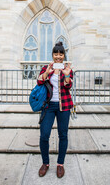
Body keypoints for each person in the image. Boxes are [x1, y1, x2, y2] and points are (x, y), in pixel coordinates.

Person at [37, 41, 73, 178]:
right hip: (48, 106)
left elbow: (67, 86)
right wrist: (47, 72)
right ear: (52, 55)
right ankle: (45, 163)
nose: (58, 56)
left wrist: (67, 75)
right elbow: (39, 81)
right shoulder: (47, 67)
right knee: (44, 135)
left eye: (61, 54)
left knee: (63, 135)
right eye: (56, 54)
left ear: (64, 55)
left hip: (64, 106)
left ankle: (60, 164)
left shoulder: (67, 68)